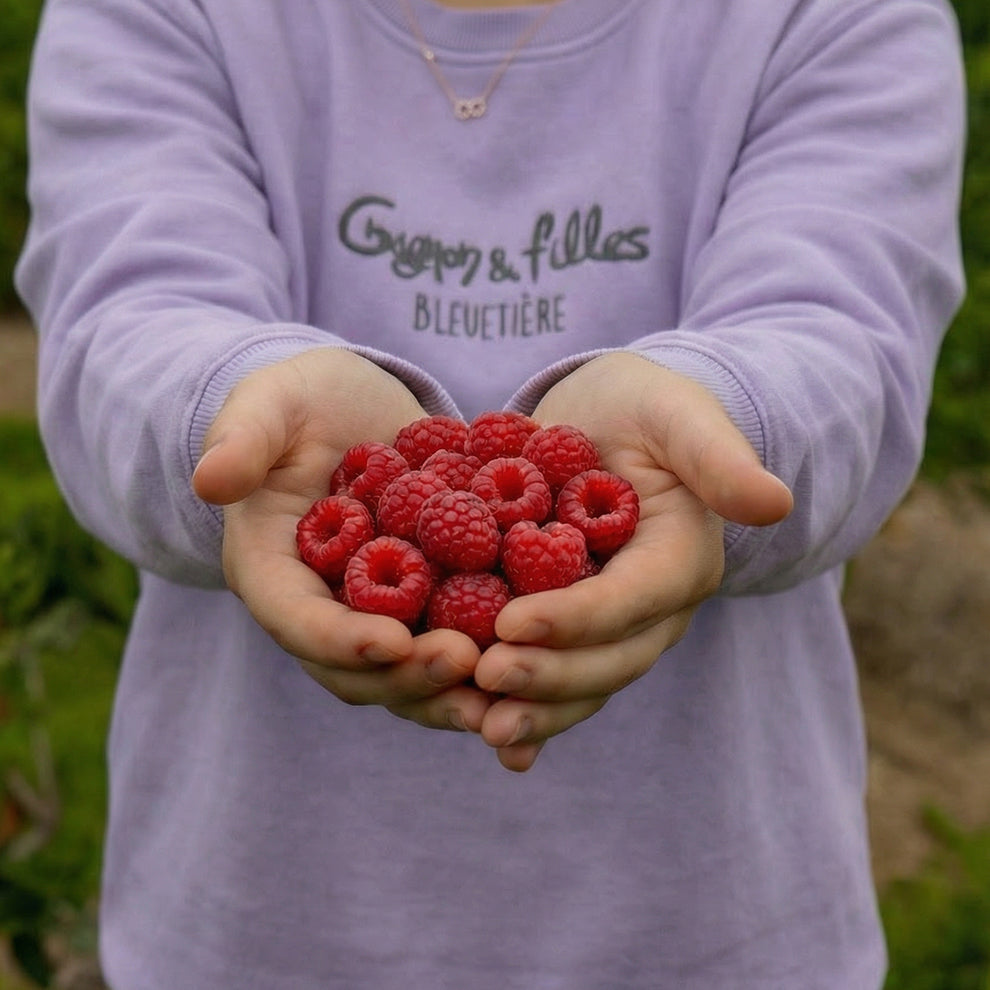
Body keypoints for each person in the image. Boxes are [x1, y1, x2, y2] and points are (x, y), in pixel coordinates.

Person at [15, 0, 965, 986]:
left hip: (708, 937)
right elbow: (122, 324)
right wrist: (224, 412)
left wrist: (720, 423)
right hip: (260, 936)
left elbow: (845, 338)